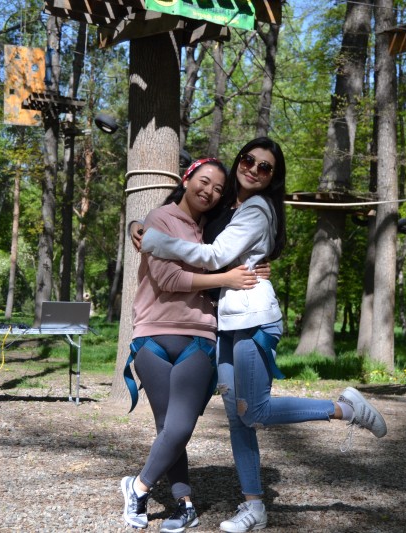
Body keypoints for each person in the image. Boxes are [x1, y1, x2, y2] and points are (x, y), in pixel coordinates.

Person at [139, 137, 388, 533]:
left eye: (265, 167)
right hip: (227, 323)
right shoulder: (227, 204)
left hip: (254, 321)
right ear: (239, 160)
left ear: (273, 178)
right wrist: (139, 225)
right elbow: (189, 221)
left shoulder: (256, 208)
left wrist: (154, 241)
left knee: (253, 411)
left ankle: (345, 410)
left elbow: (215, 257)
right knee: (239, 421)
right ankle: (254, 506)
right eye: (248, 159)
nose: (254, 169)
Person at [121, 158, 261, 533]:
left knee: (179, 427)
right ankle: (184, 505)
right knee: (168, 427)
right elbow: (168, 278)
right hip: (152, 334)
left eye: (218, 189)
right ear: (186, 179)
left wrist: (254, 269)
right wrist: (224, 278)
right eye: (204, 181)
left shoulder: (214, 230)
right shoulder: (160, 219)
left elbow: (249, 249)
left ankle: (138, 488)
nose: (209, 191)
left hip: (199, 336)